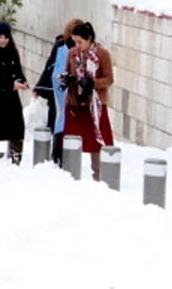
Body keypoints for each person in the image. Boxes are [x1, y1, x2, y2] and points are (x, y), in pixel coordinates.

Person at [62, 21, 115, 181]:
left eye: (80, 42)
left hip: (95, 106)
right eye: (75, 42)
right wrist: (67, 79)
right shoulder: (72, 53)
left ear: (89, 39)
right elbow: (66, 71)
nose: (77, 45)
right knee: (72, 139)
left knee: (97, 142)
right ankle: (70, 174)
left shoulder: (102, 54)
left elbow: (109, 79)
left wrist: (93, 83)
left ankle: (99, 176)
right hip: (75, 103)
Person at [34, 18, 84, 166]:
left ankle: (58, 154)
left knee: (60, 121)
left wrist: (40, 87)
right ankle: (58, 154)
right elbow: (51, 66)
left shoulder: (65, 47)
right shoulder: (65, 48)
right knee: (61, 121)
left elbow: (49, 67)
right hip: (61, 91)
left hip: (61, 90)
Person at [0, 21, 31, 164]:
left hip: (10, 98)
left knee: (16, 125)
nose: (3, 40)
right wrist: (10, 84)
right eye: (0, 37)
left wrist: (22, 81)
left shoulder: (12, 52)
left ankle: (16, 155)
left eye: (6, 37)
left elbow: (17, 71)